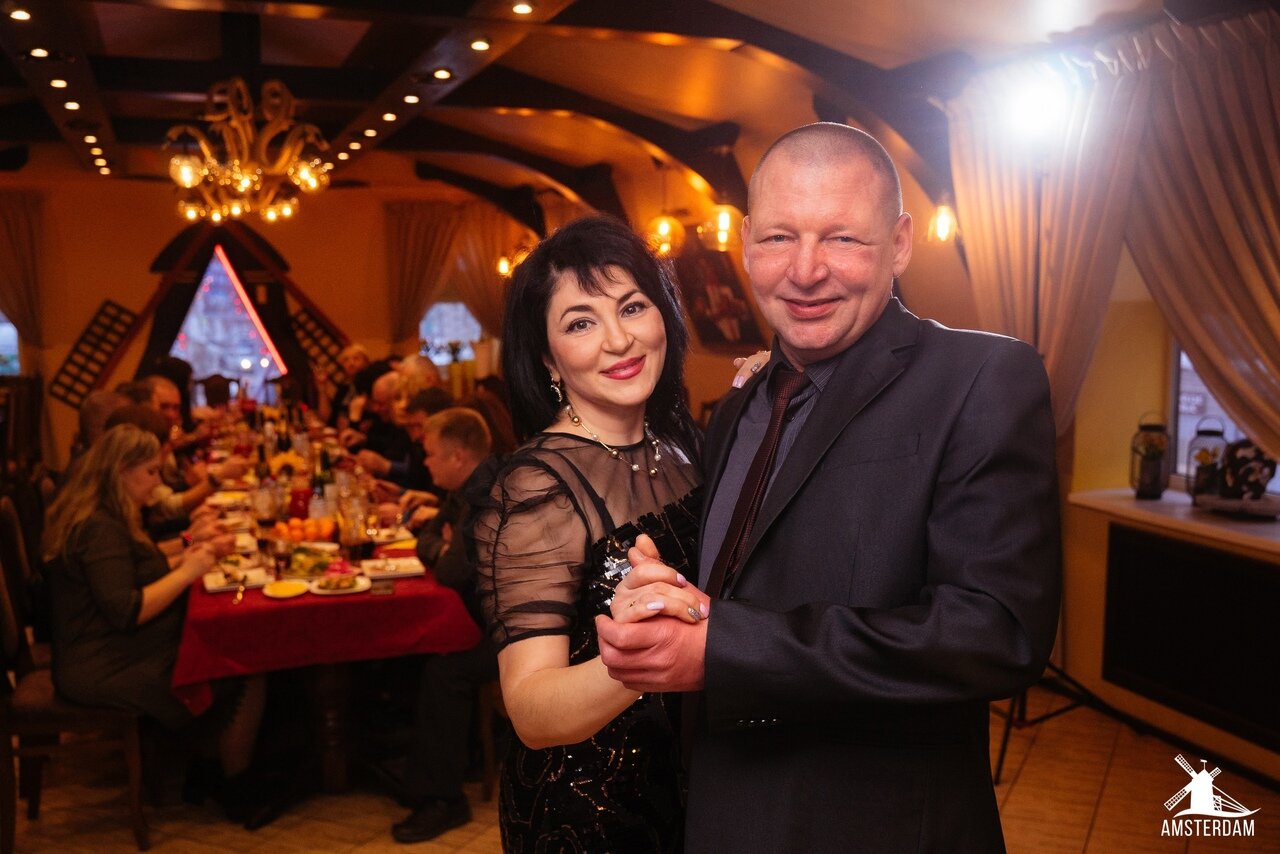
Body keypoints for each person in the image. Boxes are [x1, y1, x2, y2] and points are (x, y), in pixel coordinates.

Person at [596, 123, 1062, 853]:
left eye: (842, 238)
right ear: (746, 243)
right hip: (719, 814)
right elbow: (750, 574)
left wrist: (724, 649)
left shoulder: (980, 378)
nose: (805, 271)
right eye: (779, 238)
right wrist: (668, 595)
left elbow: (995, 632)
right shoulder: (742, 403)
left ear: (899, 244)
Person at [471, 215, 706, 851]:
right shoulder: (537, 489)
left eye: (632, 307)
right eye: (581, 323)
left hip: (691, 784)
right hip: (592, 810)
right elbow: (528, 709)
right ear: (547, 357)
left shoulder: (678, 444)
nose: (619, 339)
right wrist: (640, 657)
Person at [42, 423, 268, 822]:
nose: (157, 481)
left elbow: (142, 565)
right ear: (121, 471)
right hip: (100, 663)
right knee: (238, 659)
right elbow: (127, 610)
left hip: (108, 646)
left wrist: (192, 544)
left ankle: (205, 773)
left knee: (217, 642)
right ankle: (233, 787)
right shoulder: (98, 528)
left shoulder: (110, 513)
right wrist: (188, 571)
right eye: (150, 471)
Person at [391, 407, 497, 843]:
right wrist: (442, 546)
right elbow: (426, 541)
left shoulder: (486, 493)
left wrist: (442, 550)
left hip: (515, 626)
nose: (425, 462)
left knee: (446, 667)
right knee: (424, 648)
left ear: (457, 456)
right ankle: (432, 765)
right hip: (480, 613)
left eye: (431, 454)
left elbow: (452, 571)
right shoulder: (460, 488)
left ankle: (444, 799)